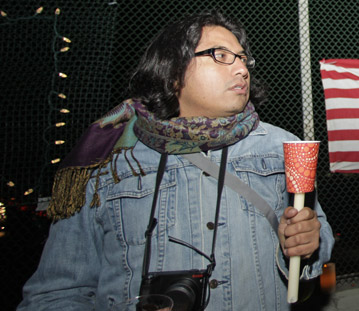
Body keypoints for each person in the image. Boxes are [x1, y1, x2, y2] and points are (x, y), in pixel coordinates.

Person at [18, 10, 334, 310]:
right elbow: (60, 291)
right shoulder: (107, 162)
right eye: (220, 56)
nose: (241, 69)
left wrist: (308, 245)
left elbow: (315, 245)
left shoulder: (280, 146)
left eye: (242, 58)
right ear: (172, 73)